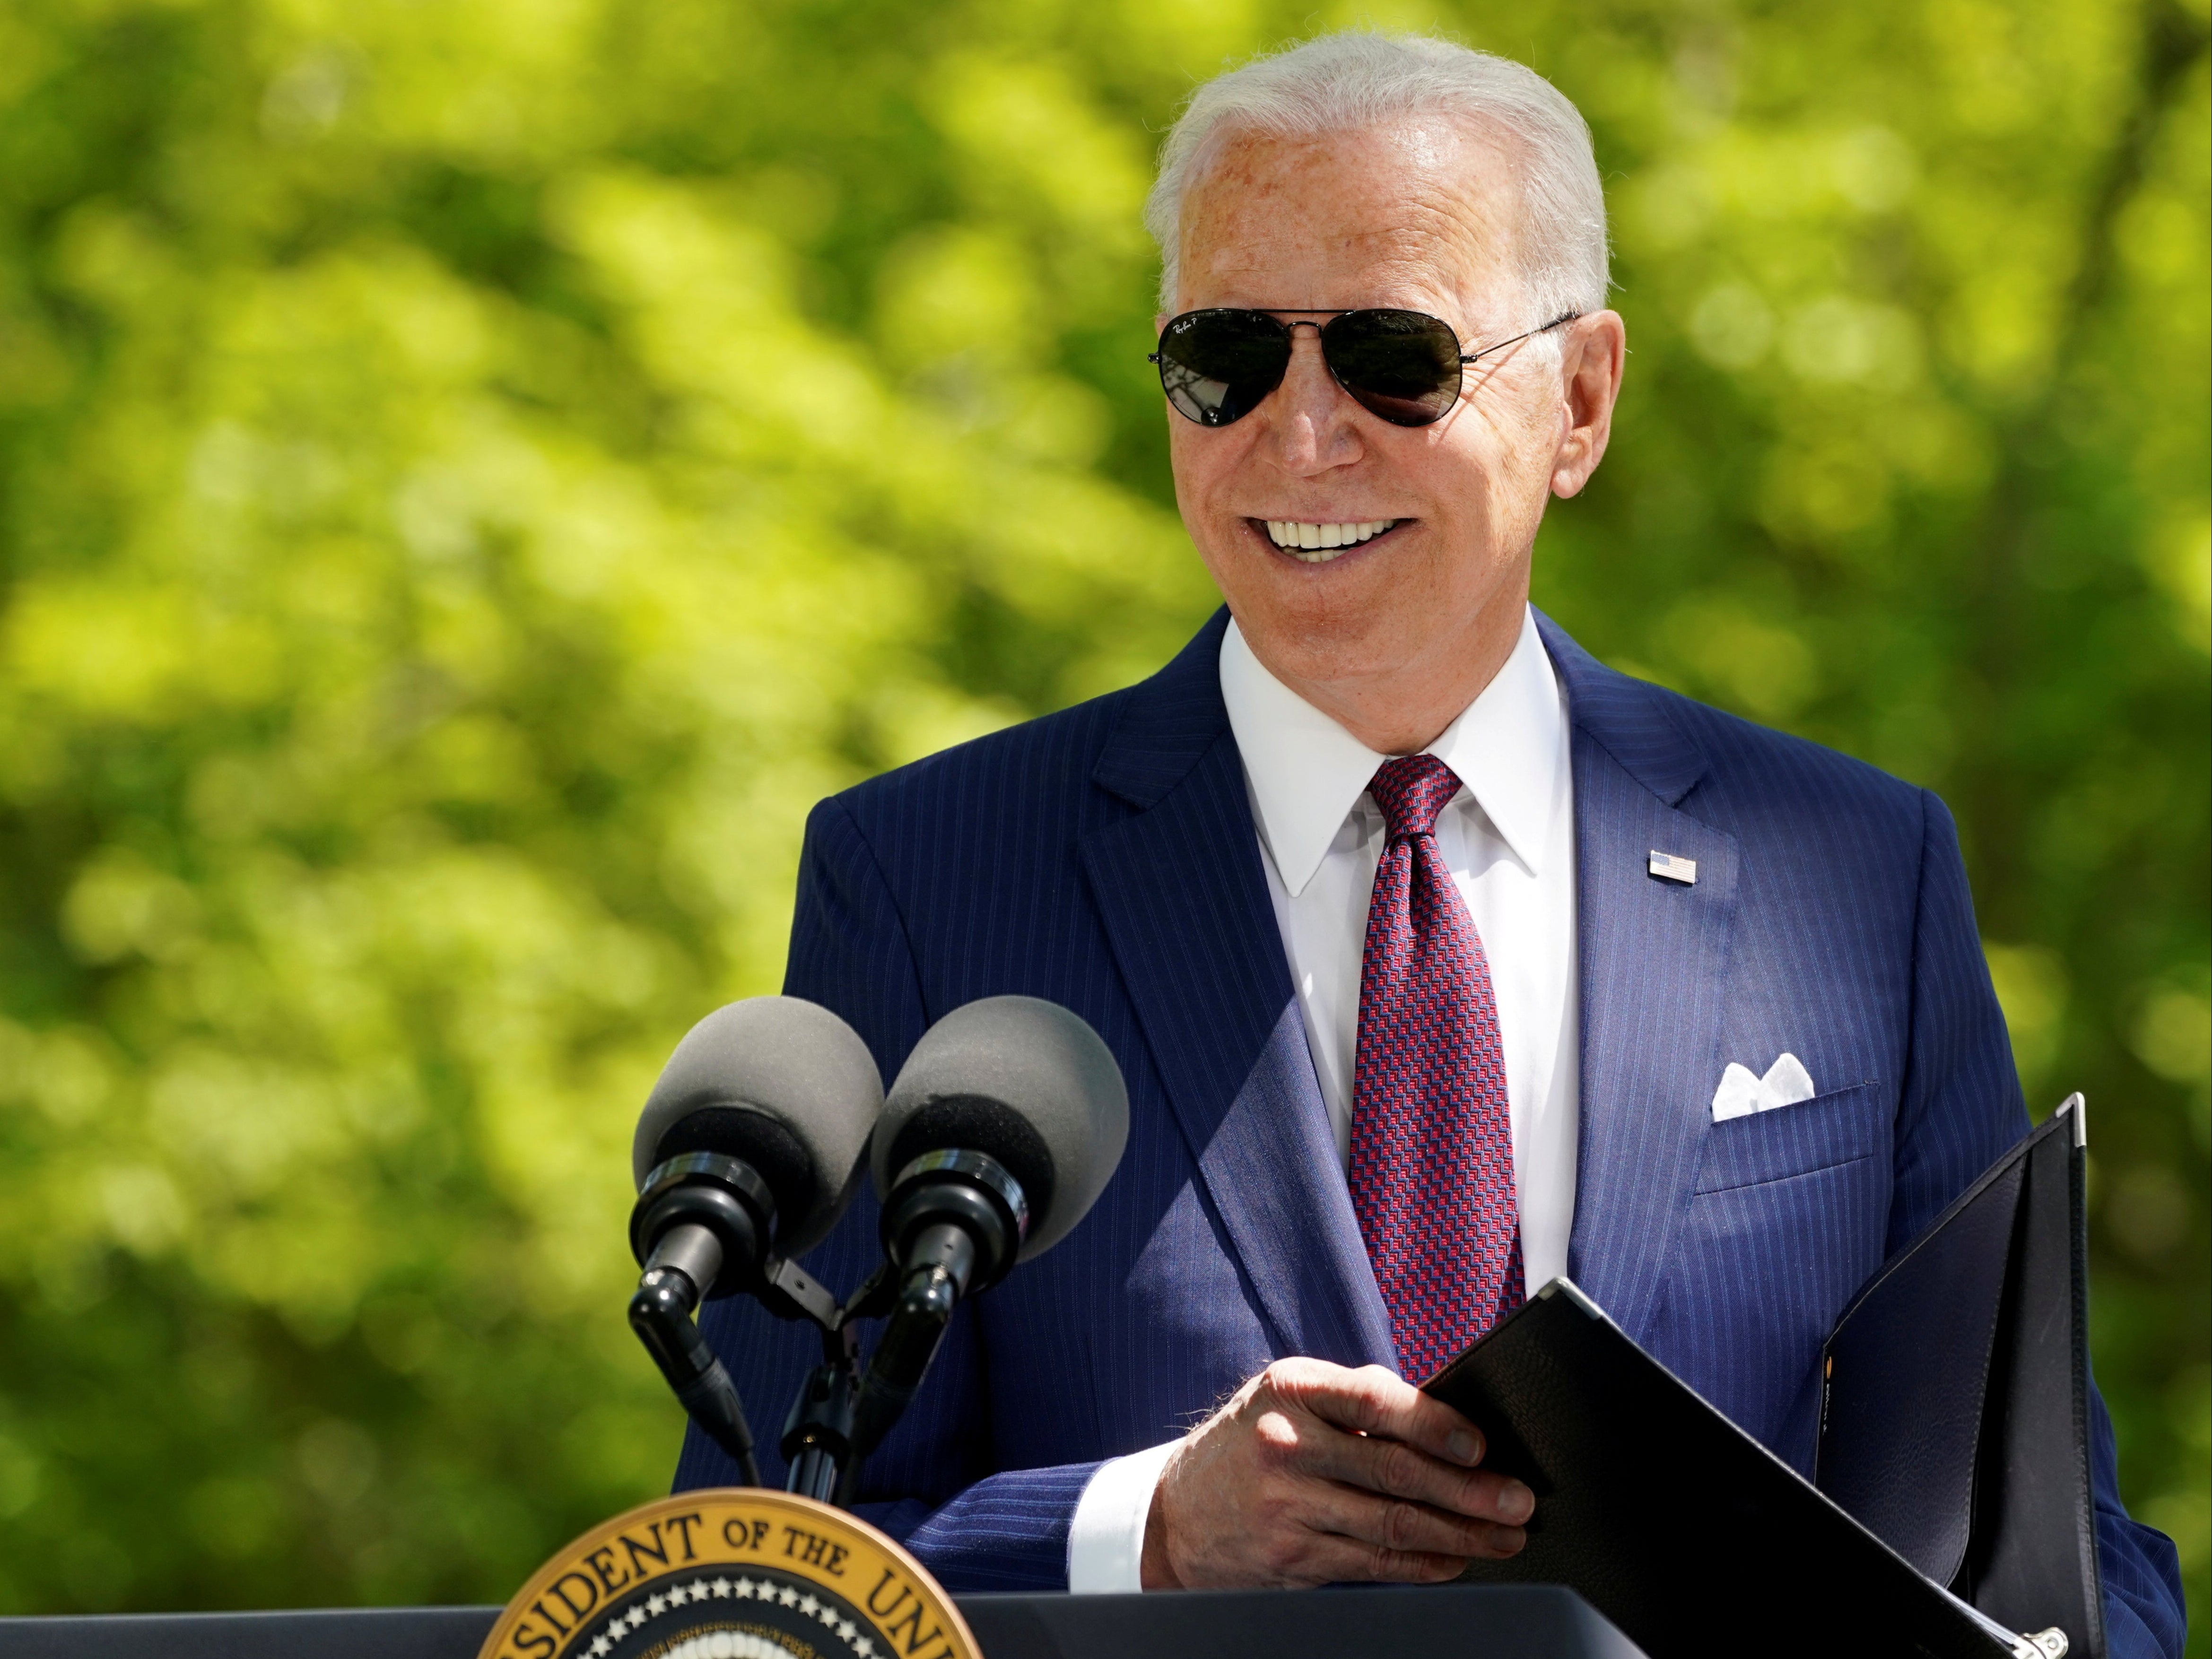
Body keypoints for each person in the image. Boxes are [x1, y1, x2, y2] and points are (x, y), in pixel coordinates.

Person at [675, 32, 2184, 1653]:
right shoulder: (926, 879)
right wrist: (1148, 1530)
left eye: (1395, 357)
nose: (1301, 434)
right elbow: (757, 1565)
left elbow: (2053, 1547)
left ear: (1583, 398)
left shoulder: (1856, 874)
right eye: (1226, 357)